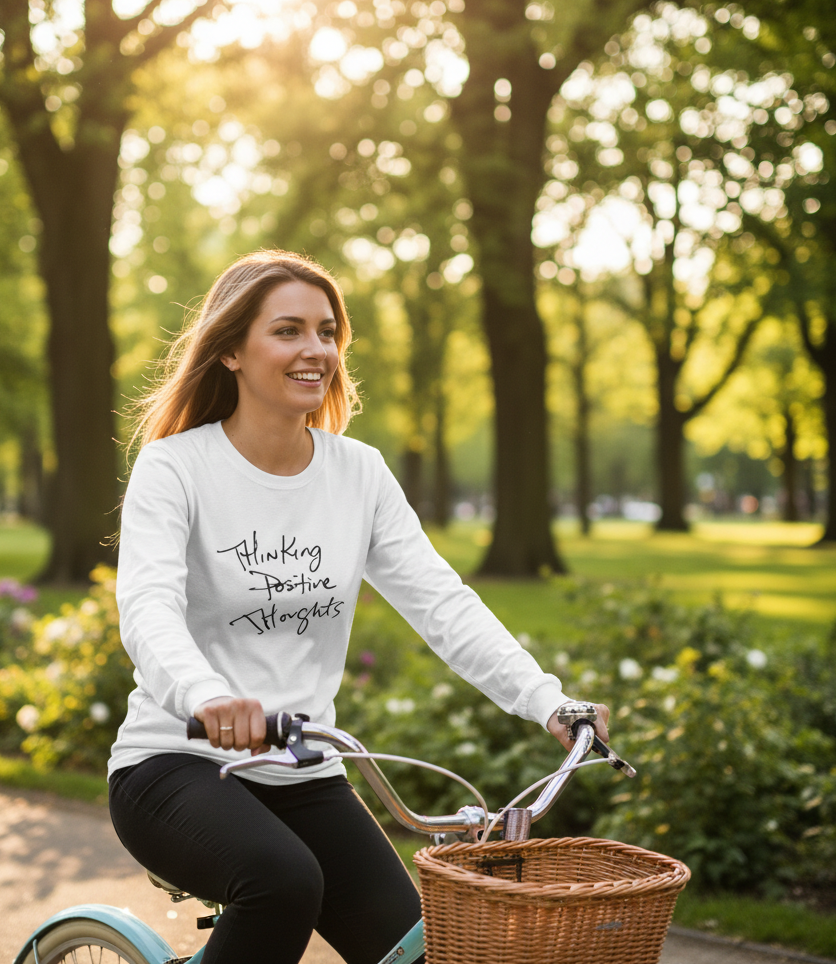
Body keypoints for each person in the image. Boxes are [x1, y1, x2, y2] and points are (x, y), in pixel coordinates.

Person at [108, 250, 610, 964]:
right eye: (288, 331)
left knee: (418, 950)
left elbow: (441, 602)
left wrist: (547, 701)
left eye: (327, 330)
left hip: (304, 769)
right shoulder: (177, 468)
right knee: (282, 882)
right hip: (177, 763)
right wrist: (208, 696)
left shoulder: (358, 473)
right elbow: (148, 607)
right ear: (229, 350)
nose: (316, 350)